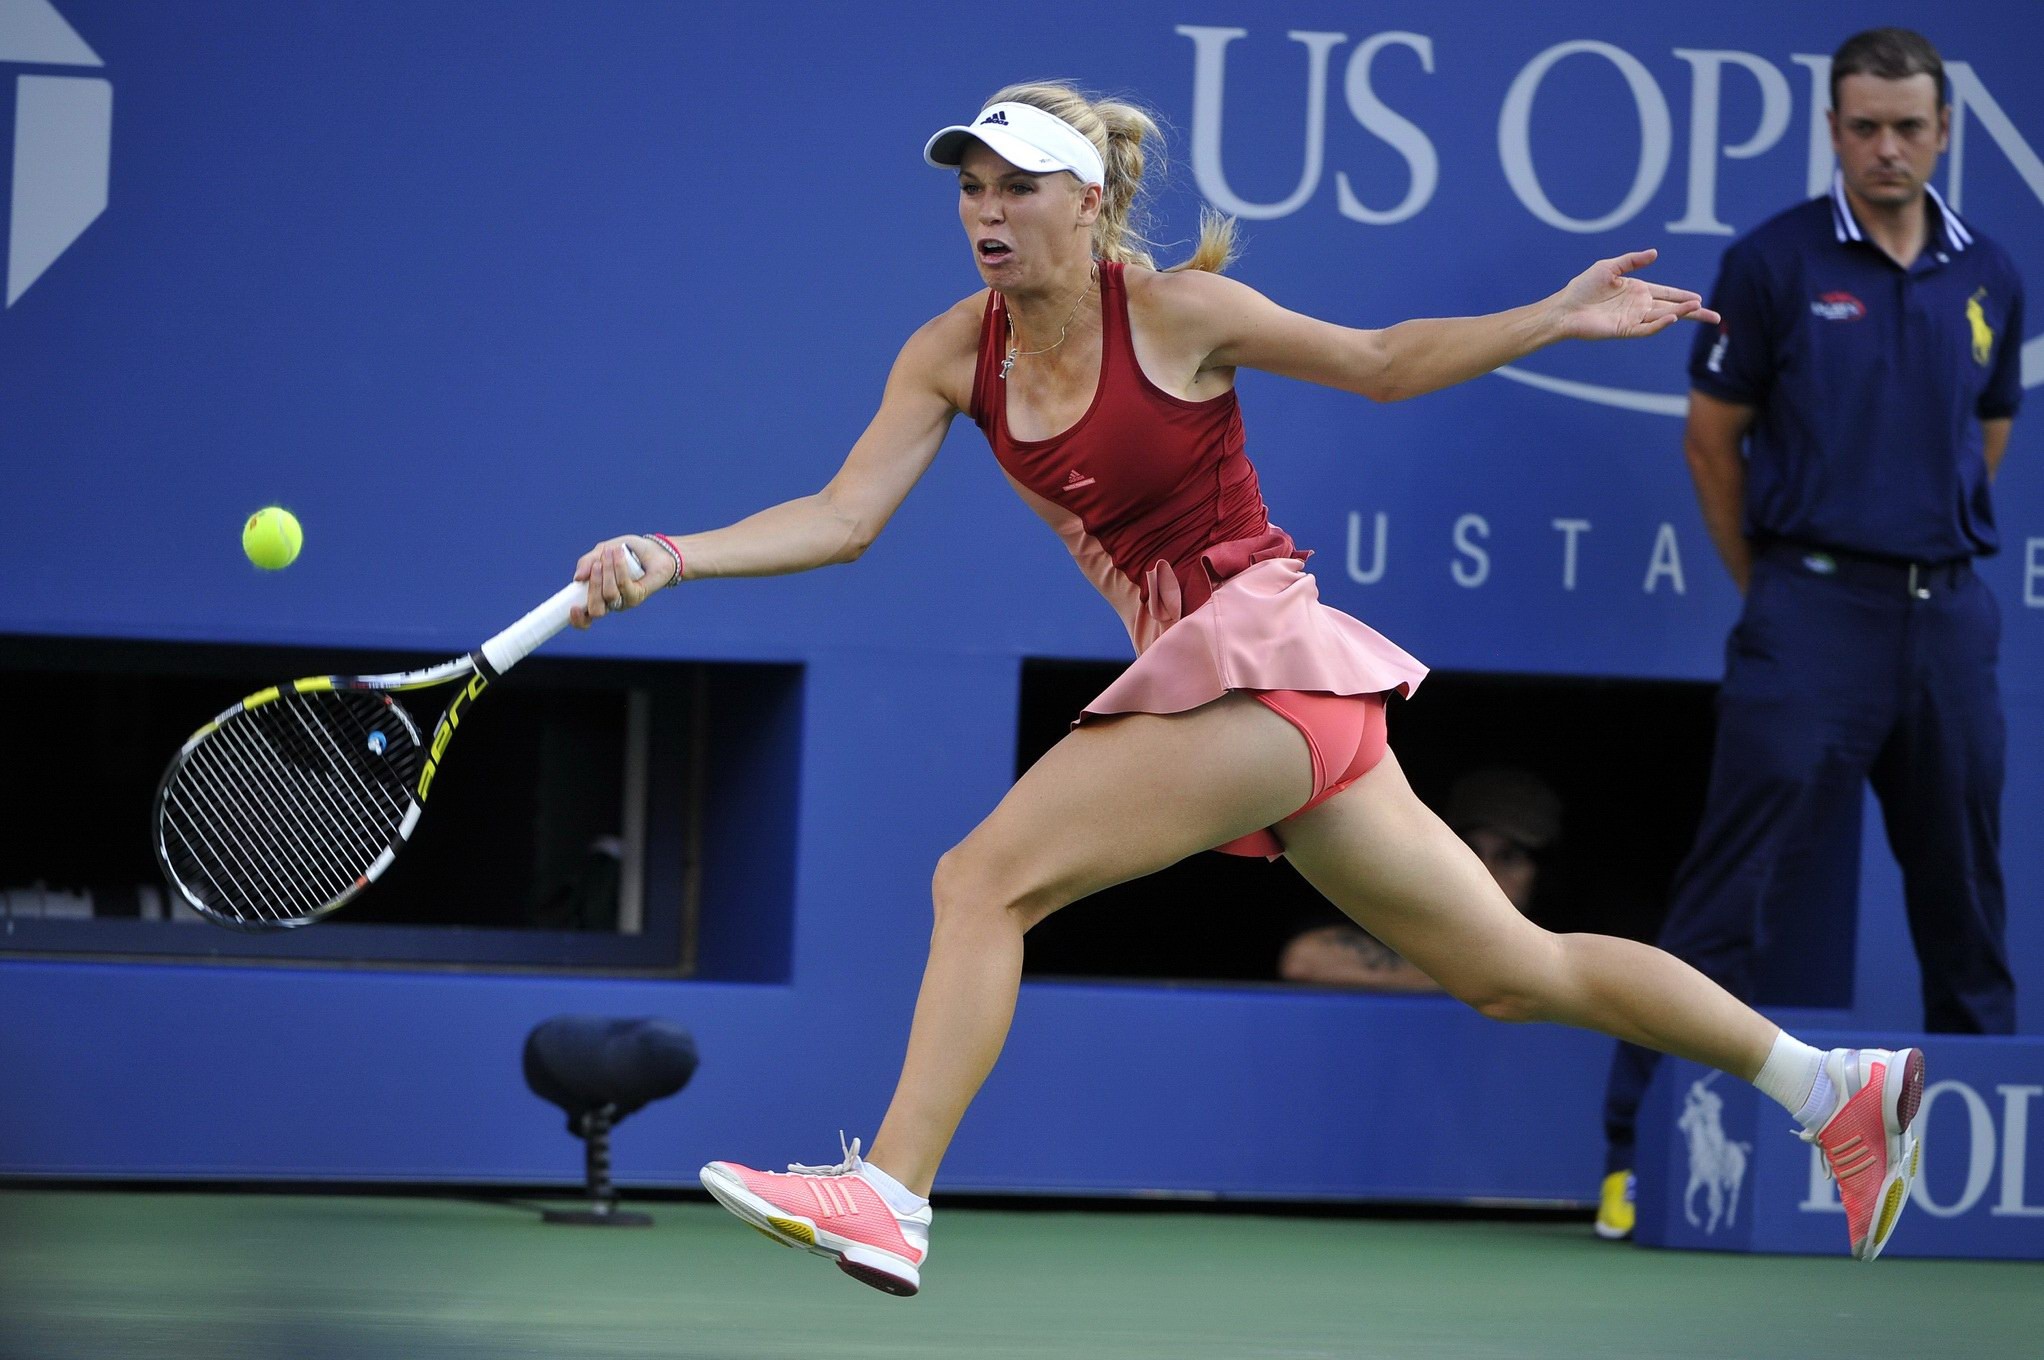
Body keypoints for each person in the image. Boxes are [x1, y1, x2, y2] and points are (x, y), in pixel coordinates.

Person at [569, 82, 1925, 1293]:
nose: (986, 213)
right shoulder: (950, 350)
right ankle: (1829, 1086)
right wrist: (674, 554)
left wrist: (1554, 315)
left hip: (1263, 666)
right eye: (971, 188)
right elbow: (843, 514)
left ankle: (892, 1195)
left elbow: (1383, 364)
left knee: (980, 882)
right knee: (1515, 974)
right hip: (1283, 708)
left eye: (1017, 187)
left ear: (1086, 201)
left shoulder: (1176, 314)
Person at [1594, 28, 2021, 1243]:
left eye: (1909, 128)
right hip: (1806, 612)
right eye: (1863, 127)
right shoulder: (1772, 262)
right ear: (1833, 131)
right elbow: (1708, 444)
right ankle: (1635, 1158)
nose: (1887, 148)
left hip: (1948, 619)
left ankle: (1965, 1189)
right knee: (1731, 895)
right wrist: (1781, 585)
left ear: (1944, 133)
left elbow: (1982, 441)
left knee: (1965, 904)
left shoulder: (1988, 269)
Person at [1278, 767, 1561, 991]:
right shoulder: (1405, 912)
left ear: (1542, 874)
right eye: (1470, 851)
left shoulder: (1564, 938)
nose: (1485, 869)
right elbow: (1306, 959)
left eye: (1508, 857)